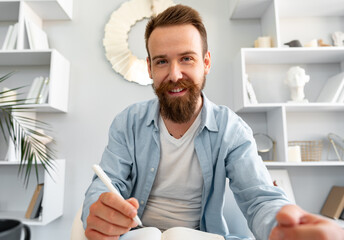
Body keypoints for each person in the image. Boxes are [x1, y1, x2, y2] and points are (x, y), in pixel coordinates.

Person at [82, 4, 344, 240]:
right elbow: (106, 184)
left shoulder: (232, 129)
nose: (174, 74)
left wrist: (282, 229)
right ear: (150, 68)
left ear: (206, 63)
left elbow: (260, 198)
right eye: (162, 61)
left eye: (186, 58)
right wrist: (97, 211)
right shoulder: (127, 122)